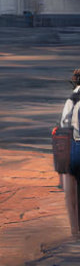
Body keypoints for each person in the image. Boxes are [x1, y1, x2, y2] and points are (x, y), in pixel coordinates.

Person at [59, 69, 80, 236]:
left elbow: (64, 125)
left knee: (71, 192)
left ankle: (75, 231)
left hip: (71, 147)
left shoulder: (70, 100)